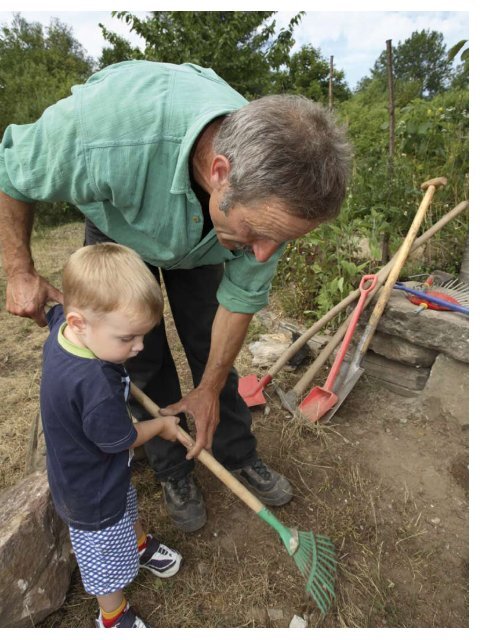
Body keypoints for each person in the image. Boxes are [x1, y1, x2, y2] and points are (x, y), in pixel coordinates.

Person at [0, 61, 351, 533]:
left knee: (212, 347)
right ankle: (172, 467)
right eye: (262, 232)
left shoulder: (266, 192)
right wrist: (20, 269)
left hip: (205, 239)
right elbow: (11, 171)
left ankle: (236, 452)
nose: (266, 253)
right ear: (220, 172)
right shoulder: (106, 132)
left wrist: (206, 387)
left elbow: (241, 298)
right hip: (124, 218)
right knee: (136, 352)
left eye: (282, 239)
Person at [40, 242, 191, 628]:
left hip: (106, 475)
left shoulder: (66, 329)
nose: (139, 347)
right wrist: (162, 426)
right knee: (105, 552)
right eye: (127, 339)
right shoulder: (96, 387)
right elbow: (121, 440)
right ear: (79, 323)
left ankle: (139, 545)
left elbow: (54, 310)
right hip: (89, 487)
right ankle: (112, 615)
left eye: (143, 336)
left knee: (127, 506)